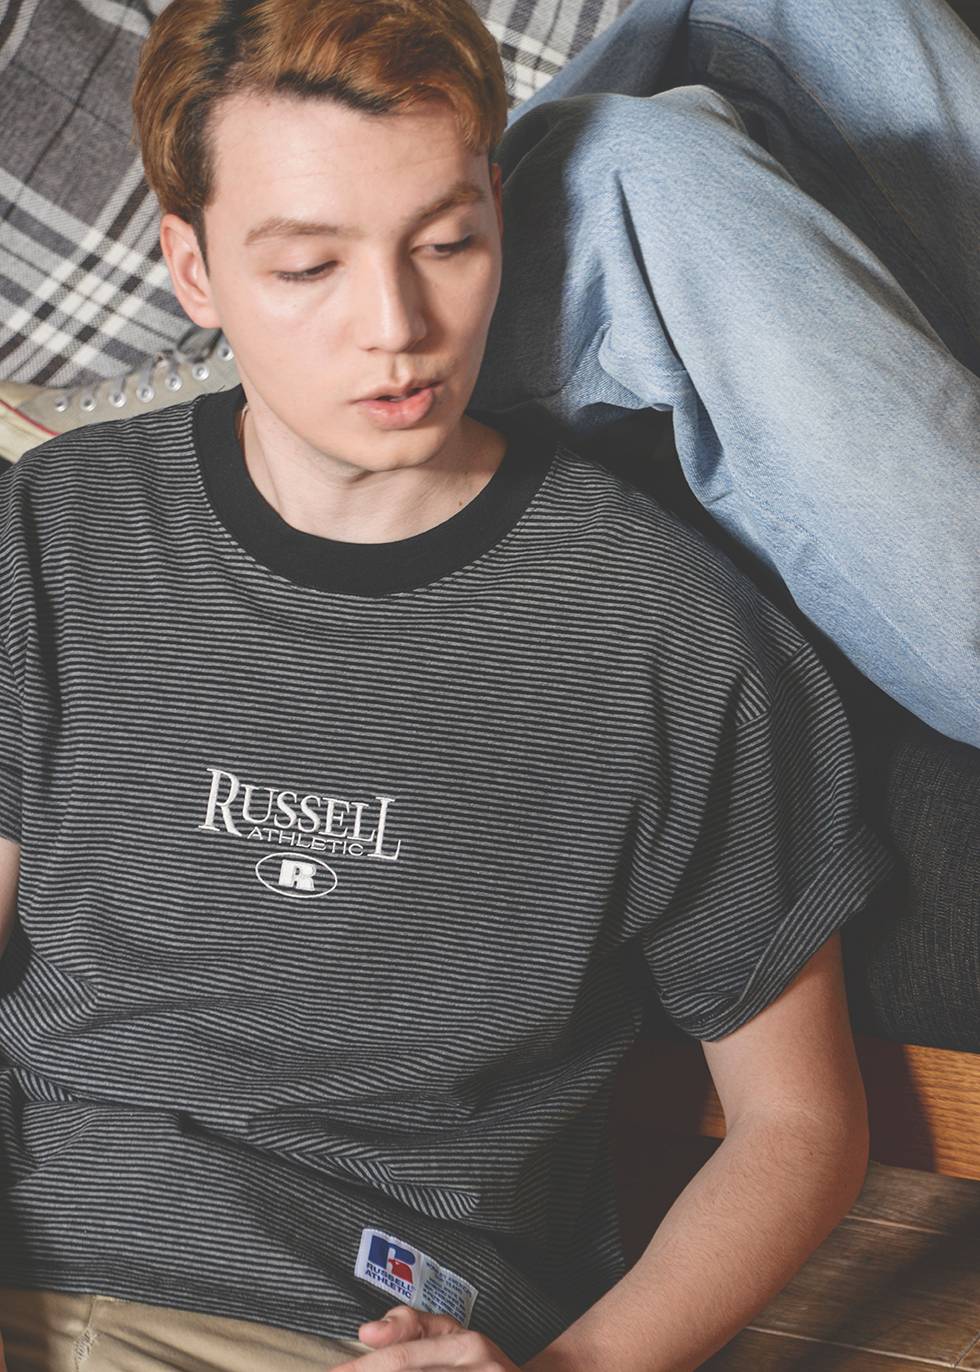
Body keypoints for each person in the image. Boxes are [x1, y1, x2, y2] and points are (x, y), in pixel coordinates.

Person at [0, 0, 898, 1368]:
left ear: (500, 217)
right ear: (194, 269)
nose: (398, 328)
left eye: (446, 243)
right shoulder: (52, 532)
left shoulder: (663, 625)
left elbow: (801, 1124)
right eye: (308, 266)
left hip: (343, 1324)